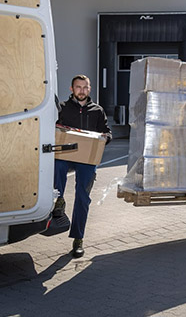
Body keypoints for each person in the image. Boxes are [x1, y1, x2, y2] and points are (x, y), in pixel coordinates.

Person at [54, 75, 112, 258]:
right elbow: (53, 127)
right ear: (72, 89)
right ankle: (59, 200)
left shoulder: (97, 110)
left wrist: (105, 138)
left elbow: (107, 131)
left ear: (90, 89)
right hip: (66, 154)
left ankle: (78, 239)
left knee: (82, 197)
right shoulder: (62, 108)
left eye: (85, 87)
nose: (81, 90)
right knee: (58, 165)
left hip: (87, 158)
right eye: (78, 87)